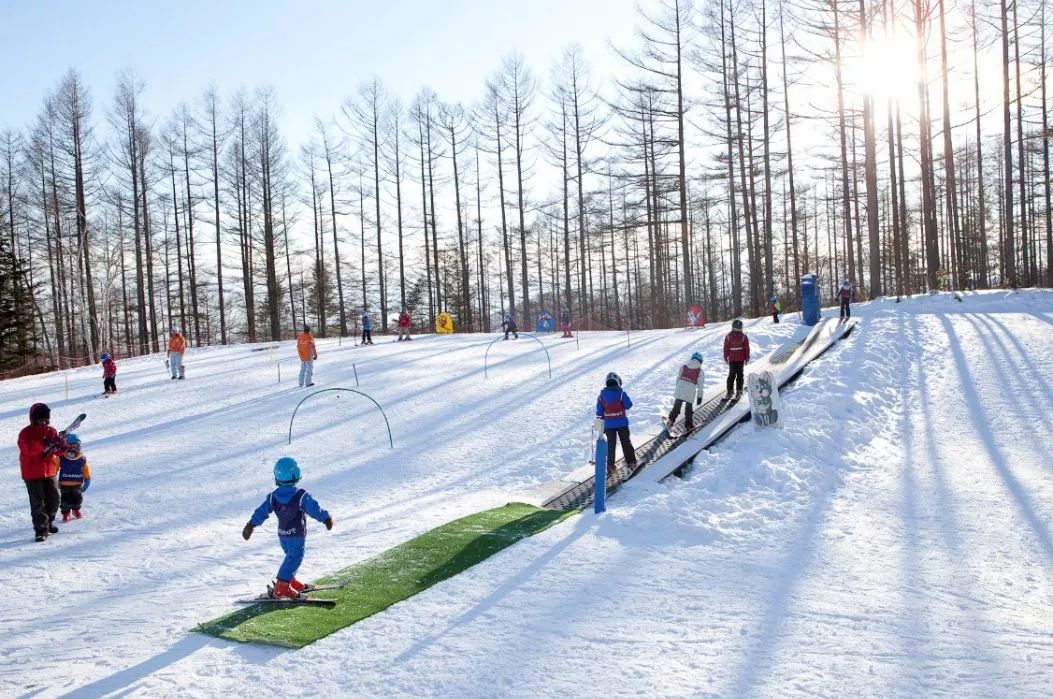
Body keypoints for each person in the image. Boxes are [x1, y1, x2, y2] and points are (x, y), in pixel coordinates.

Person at [242, 457, 334, 600]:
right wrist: (326, 518)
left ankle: (289, 581)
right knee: (295, 557)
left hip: (283, 535)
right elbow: (314, 509)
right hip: (296, 535)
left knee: (289, 558)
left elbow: (262, 511)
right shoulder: (301, 496)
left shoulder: (273, 497)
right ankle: (282, 587)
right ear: (296, 475)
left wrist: (251, 524)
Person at [18, 403, 67, 542]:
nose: (44, 422)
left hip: (49, 470)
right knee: (38, 502)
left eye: (46, 419)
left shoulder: (51, 431)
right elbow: (28, 449)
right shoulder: (25, 433)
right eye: (40, 419)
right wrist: (44, 443)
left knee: (54, 499)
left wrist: (61, 445)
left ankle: (49, 522)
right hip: (32, 473)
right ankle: (41, 530)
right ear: (33, 419)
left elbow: (57, 451)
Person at [594, 372, 637, 477]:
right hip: (622, 423)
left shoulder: (601, 396)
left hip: (609, 425)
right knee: (626, 442)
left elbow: (599, 412)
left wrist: (599, 426)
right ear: (618, 382)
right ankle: (631, 462)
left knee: (610, 445)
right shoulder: (621, 394)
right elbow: (628, 405)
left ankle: (610, 466)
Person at [666, 351, 704, 431]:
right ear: (700, 361)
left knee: (676, 406)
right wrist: (699, 396)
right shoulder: (700, 371)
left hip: (680, 388)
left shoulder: (683, 367)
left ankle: (670, 421)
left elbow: (678, 378)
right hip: (690, 391)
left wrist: (678, 388)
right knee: (688, 409)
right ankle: (689, 425)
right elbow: (700, 385)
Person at [58, 433, 91, 522]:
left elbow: (85, 469)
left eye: (75, 444)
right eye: (70, 444)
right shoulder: (61, 457)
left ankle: (76, 510)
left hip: (77, 482)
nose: (72, 447)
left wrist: (87, 479)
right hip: (64, 483)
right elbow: (55, 467)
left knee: (78, 498)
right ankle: (66, 513)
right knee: (65, 499)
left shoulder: (81, 458)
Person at [723, 319, 750, 399]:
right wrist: (726, 355)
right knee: (735, 375)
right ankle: (732, 391)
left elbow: (746, 348)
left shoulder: (743, 336)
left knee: (736, 375)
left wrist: (746, 357)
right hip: (734, 359)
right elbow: (726, 347)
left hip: (738, 359)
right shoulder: (730, 336)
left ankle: (737, 391)